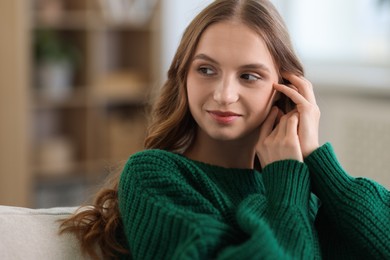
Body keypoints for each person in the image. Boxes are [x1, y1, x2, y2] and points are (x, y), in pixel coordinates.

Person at [61, 0, 390, 259]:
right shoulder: (155, 176)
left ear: (286, 88)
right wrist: (286, 185)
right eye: (206, 69)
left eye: (249, 76)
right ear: (183, 77)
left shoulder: (295, 185)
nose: (223, 94)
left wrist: (317, 161)